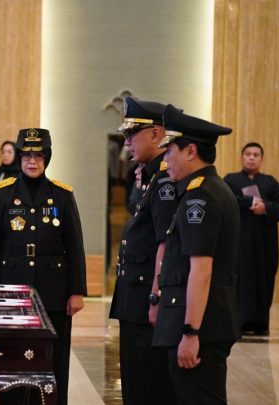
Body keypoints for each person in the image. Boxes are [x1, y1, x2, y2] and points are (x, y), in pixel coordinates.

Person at [0, 128, 86, 405]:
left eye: (38, 155)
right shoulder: (2, 194)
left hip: (53, 292)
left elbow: (75, 245)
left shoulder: (62, 195)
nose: (32, 161)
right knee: (11, 360)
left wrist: (76, 291)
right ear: (19, 158)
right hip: (11, 292)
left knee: (53, 361)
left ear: (47, 158)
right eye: (26, 155)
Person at [152, 105, 240, 404]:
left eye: (169, 151)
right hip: (204, 323)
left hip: (200, 328)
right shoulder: (208, 189)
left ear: (191, 151)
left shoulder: (200, 196)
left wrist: (191, 332)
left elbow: (201, 270)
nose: (165, 159)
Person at [107, 97, 177, 405]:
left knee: (146, 385)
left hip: (145, 300)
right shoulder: (148, 177)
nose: (127, 142)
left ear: (156, 134)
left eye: (132, 134)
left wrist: (155, 297)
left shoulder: (164, 181)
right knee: (135, 381)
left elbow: (166, 243)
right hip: (134, 299)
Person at [224, 143, 279, 336]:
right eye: (248, 154)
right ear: (242, 157)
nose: (251, 157)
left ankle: (260, 322)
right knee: (239, 279)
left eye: (256, 155)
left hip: (264, 243)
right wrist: (249, 202)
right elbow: (227, 200)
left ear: (261, 159)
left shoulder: (270, 182)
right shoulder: (231, 180)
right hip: (239, 242)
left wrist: (266, 208)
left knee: (264, 278)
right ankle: (238, 322)